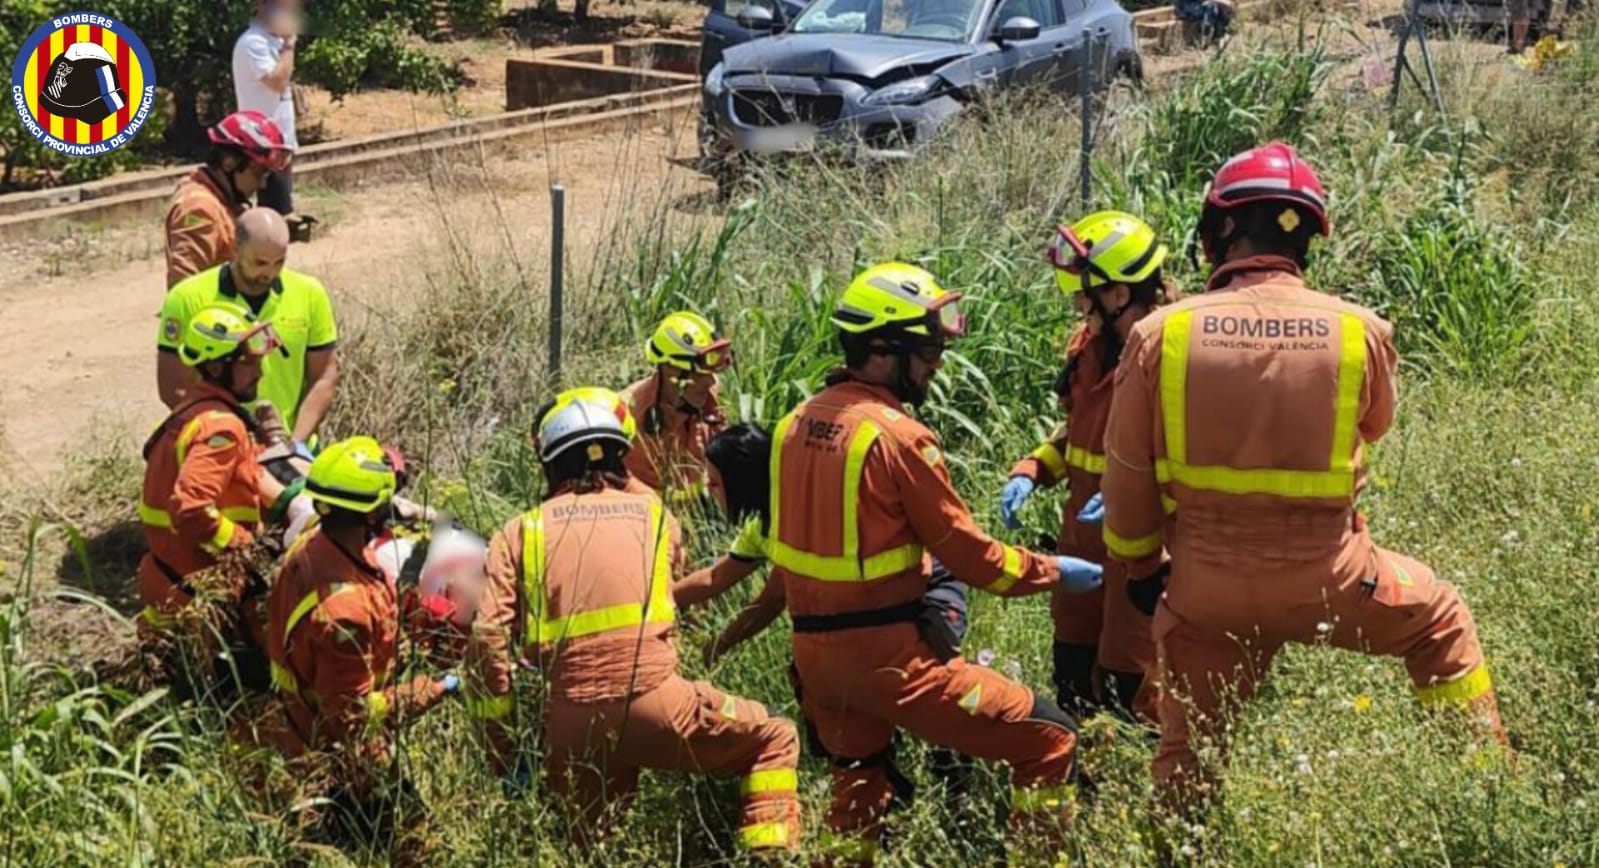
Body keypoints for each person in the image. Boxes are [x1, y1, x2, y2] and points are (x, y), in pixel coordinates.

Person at [1098, 141, 1508, 814]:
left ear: (1220, 230)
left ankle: (1177, 841)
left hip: (1202, 589)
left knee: (1189, 748)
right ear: (1305, 237)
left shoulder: (1158, 335)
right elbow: (1374, 425)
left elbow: (1128, 478)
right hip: (1333, 579)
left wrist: (1143, 569)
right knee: (1439, 620)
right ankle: (1487, 789)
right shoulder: (1359, 330)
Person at [769, 261, 1104, 863]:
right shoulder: (899, 438)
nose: (938, 365)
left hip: (815, 662)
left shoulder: (794, 426)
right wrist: (1057, 571)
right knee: (1051, 738)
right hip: (892, 662)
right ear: (882, 352)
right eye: (927, 352)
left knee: (859, 793)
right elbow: (975, 559)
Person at [465, 387, 802, 853]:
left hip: (568, 726)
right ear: (621, 456)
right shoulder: (655, 515)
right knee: (774, 736)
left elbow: (487, 639)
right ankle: (770, 855)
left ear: (548, 462)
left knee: (593, 845)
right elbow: (674, 585)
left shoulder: (519, 531)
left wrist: (503, 750)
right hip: (659, 705)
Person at [1000, 211, 1174, 720]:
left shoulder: (1172, 356)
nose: (1077, 305)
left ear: (1118, 293)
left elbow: (1193, 457)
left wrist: (1131, 492)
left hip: (1142, 543)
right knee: (1072, 667)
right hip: (1082, 538)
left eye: (1084, 293)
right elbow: (1077, 435)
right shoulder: (1090, 349)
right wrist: (1033, 469)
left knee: (1129, 678)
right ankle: (1077, 759)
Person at [259, 436, 456, 864]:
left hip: (302, 721)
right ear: (371, 512)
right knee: (422, 850)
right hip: (339, 752)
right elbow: (353, 717)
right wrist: (437, 687)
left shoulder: (318, 544)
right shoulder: (343, 612)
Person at [136, 305, 303, 671]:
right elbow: (191, 508)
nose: (260, 372)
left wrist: (296, 502)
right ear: (216, 366)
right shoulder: (221, 427)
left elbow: (247, 475)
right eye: (249, 363)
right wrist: (246, 549)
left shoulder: (195, 411)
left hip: (171, 579)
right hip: (199, 595)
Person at [158, 208, 340, 444]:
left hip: (293, 447)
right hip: (221, 447)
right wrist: (231, 438)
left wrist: (293, 445)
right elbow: (174, 385)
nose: (269, 273)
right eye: (260, 262)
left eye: (279, 262)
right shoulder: (187, 298)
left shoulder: (309, 294)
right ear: (236, 249)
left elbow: (324, 376)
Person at [165, 111, 292, 289]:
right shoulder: (199, 207)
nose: (262, 184)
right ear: (229, 163)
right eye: (259, 173)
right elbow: (183, 286)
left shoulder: (224, 199)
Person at [620, 311, 731, 504]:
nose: (710, 382)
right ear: (669, 369)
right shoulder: (627, 414)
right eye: (699, 375)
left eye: (711, 374)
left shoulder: (712, 397)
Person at [234, 0, 302, 218]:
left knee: (279, 209)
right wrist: (290, 44)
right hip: (265, 146)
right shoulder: (254, 43)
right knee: (276, 214)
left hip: (280, 144)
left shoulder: (273, 42)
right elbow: (277, 82)